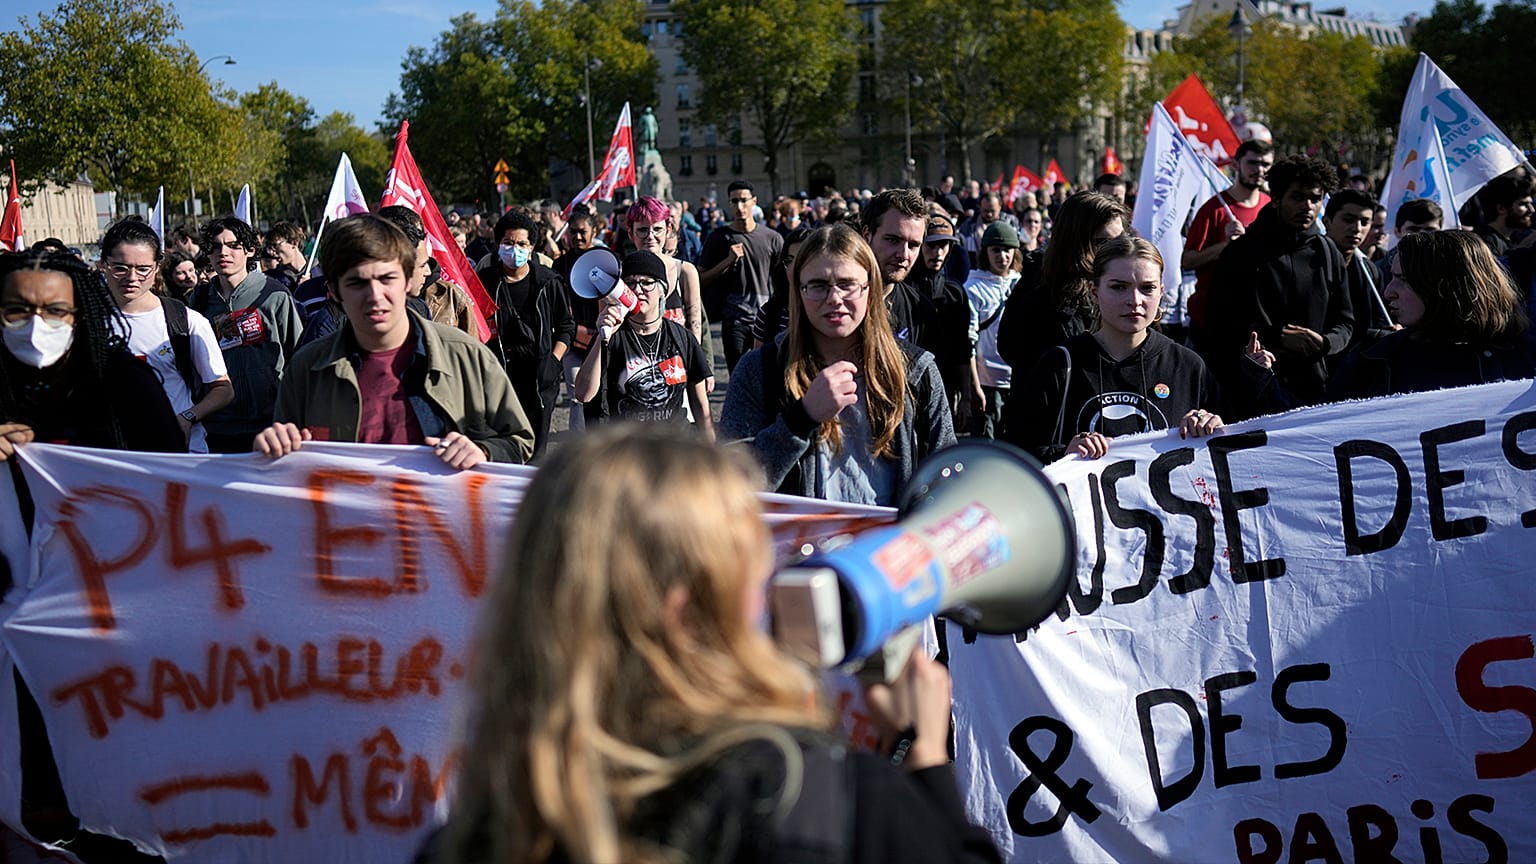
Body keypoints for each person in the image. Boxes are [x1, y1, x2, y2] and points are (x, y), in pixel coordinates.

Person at [419, 423, 1000, 864]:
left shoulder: (475, 836)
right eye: (748, 566)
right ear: (687, 608)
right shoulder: (824, 800)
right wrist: (924, 757)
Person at [253, 214, 534, 465]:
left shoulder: (467, 356)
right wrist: (272, 448)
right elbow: (284, 465)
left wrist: (483, 451)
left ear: (408, 282)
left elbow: (519, 442)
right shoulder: (307, 369)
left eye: (387, 278)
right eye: (357, 283)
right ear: (335, 292)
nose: (375, 296)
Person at [720, 224, 955, 506]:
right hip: (796, 547)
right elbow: (727, 485)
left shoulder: (917, 371)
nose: (835, 299)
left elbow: (947, 480)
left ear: (870, 288)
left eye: (847, 284)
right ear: (799, 291)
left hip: (890, 546)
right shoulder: (759, 370)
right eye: (818, 285)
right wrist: (800, 420)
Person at [1003, 236, 1223, 463]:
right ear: (1094, 291)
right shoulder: (1060, 364)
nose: (1134, 300)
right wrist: (1064, 454)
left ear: (1161, 292)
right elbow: (1015, 455)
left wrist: (1211, 428)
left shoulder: (1188, 366)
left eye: (1147, 288)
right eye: (1119, 287)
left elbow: (1229, 454)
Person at [1204, 155, 1352, 414]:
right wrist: (1275, 337)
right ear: (1277, 198)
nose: (1307, 206)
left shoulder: (1328, 252)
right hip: (1250, 391)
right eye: (1297, 197)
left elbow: (1346, 321)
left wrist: (1325, 342)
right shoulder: (1241, 253)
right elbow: (1217, 324)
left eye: (1315, 199)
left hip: (1314, 389)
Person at [1322, 230, 1534, 399]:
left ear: (1447, 287)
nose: (1388, 292)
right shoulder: (1372, 359)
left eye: (1403, 279)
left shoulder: (1525, 356)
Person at [98, 220, 233, 453]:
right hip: (116, 456)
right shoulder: (87, 323)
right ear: (103, 265)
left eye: (142, 269)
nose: (132, 278)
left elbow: (223, 389)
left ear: (156, 268)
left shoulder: (186, 321)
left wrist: (187, 417)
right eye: (120, 268)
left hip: (180, 456)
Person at [188, 216, 306, 453]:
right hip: (218, 426)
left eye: (233, 245)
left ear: (250, 250)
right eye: (216, 246)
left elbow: (299, 358)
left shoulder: (274, 295)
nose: (223, 252)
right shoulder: (199, 300)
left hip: (270, 425)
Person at [573, 250, 713, 437]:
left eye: (647, 283)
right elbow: (583, 394)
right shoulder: (613, 337)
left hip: (676, 446)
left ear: (663, 290)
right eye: (630, 283)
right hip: (627, 450)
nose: (638, 290)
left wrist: (711, 447)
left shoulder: (682, 337)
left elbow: (700, 403)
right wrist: (601, 338)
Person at [996, 192, 1131, 379]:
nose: (1117, 249)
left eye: (1121, 239)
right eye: (1104, 242)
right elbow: (1012, 349)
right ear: (1075, 242)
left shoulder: (1128, 286)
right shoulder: (1037, 290)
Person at [476, 208, 574, 457]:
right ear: (498, 245)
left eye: (521, 243)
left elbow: (565, 327)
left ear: (531, 248)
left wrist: (553, 360)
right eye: (508, 243)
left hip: (540, 376)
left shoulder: (548, 282)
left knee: (536, 451)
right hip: (499, 374)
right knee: (502, 446)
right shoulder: (484, 282)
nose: (514, 249)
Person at [1181, 140, 1274, 349]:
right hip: (1210, 321)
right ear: (1236, 165)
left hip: (1255, 322)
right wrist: (1225, 246)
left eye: (1266, 164)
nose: (1259, 170)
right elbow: (1187, 260)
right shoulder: (1214, 208)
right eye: (1252, 163)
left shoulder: (1271, 207)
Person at [699, 180, 785, 372]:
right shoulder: (718, 237)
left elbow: (784, 280)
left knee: (769, 374)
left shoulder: (772, 238)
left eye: (744, 200)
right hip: (734, 321)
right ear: (728, 204)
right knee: (738, 374)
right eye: (734, 201)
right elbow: (700, 278)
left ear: (754, 201)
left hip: (766, 319)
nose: (739, 206)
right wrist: (728, 261)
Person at [962, 221, 1022, 438]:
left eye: (1007, 249)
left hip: (1018, 381)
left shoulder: (1021, 284)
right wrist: (974, 387)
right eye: (995, 250)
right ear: (985, 251)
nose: (1002, 256)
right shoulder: (973, 288)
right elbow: (968, 341)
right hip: (988, 383)